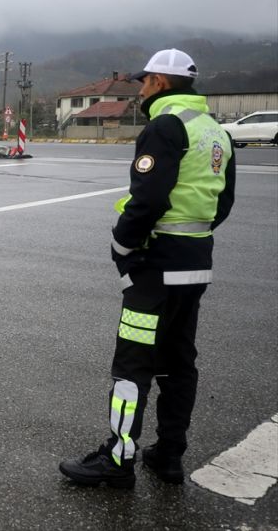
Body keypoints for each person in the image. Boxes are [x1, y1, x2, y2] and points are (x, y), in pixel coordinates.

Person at [59, 48, 236, 489]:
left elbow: (150, 198)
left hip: (154, 270)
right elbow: (224, 202)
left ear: (158, 82)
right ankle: (169, 455)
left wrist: (123, 243)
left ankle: (118, 461)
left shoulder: (165, 126)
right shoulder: (215, 131)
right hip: (196, 265)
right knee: (179, 363)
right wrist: (190, 238)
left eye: (143, 81)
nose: (139, 88)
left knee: (133, 364)